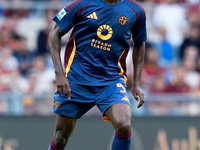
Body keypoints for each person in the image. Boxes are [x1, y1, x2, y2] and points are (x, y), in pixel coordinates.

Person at [48, 0, 147, 149]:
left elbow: (140, 43)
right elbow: (55, 33)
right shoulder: (83, 4)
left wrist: (136, 83)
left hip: (111, 80)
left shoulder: (136, 11)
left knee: (124, 125)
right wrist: (59, 74)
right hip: (77, 79)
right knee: (61, 137)